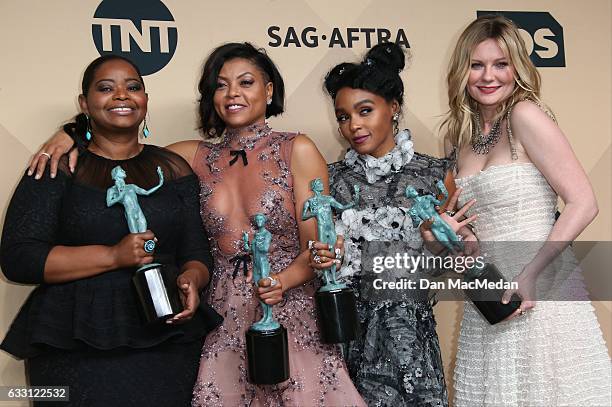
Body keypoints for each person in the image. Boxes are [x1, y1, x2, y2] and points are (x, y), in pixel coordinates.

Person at [26, 43, 365, 406]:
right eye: (221, 85)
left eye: (246, 82)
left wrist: (280, 283)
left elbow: (316, 247)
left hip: (289, 311)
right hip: (221, 317)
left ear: (268, 91)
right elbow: (120, 148)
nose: (233, 93)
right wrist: (75, 134)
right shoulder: (190, 157)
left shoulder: (298, 149)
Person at [0, 55, 222, 406]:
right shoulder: (57, 166)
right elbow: (19, 258)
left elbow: (195, 250)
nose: (121, 95)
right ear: (84, 103)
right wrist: (112, 256)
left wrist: (192, 279)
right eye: (106, 88)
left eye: (133, 87)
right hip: (73, 343)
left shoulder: (174, 169)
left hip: (165, 337)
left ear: (145, 100)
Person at [440, 15, 612, 406]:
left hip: (542, 290)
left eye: (500, 64)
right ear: (461, 70)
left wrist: (532, 273)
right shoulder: (458, 136)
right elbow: (469, 228)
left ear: (517, 67)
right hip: (491, 295)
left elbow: (584, 202)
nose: (488, 76)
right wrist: (458, 235)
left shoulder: (525, 116)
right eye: (477, 64)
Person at [309, 42, 474, 407]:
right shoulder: (331, 181)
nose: (353, 125)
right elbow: (321, 263)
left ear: (394, 108)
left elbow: (452, 261)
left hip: (410, 340)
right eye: (342, 116)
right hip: (347, 340)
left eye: (365, 111)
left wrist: (441, 248)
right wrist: (325, 259)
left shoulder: (435, 175)